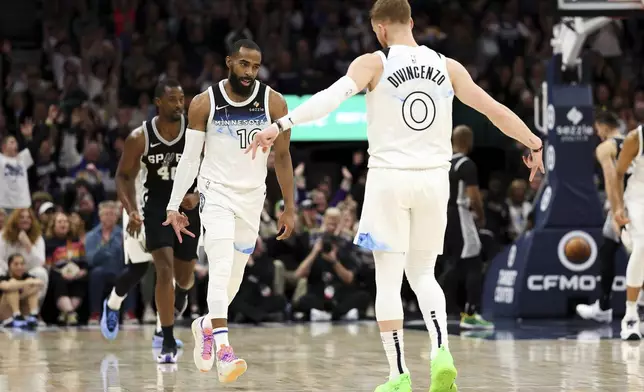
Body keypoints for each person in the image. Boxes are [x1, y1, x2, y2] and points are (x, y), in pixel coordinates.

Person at [247, 1, 544, 391]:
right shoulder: (447, 66)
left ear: (380, 29)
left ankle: (398, 376)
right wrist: (533, 142)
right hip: (435, 181)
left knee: (387, 282)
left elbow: (330, 99)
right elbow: (493, 110)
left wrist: (281, 123)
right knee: (423, 274)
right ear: (412, 23)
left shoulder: (375, 62)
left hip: (389, 179)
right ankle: (441, 353)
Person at [164, 39, 296, 382]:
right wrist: (173, 203)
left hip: (253, 198)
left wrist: (289, 207)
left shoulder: (274, 102)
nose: (250, 72)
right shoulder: (204, 102)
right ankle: (224, 348)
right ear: (228, 62)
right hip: (216, 193)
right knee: (220, 266)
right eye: (243, 65)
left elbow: (282, 157)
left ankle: (205, 325)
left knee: (233, 280)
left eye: (255, 66)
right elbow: (190, 158)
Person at [103, 79, 200, 364]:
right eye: (173, 99)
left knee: (184, 278)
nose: (180, 105)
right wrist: (132, 209)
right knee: (156, 269)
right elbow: (123, 176)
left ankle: (170, 314)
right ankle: (164, 336)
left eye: (182, 99)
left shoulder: (194, 133)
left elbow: (209, 168)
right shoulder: (139, 137)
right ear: (158, 102)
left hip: (186, 206)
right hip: (153, 206)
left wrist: (197, 194)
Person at [576, 111, 635, 323]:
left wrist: (617, 210)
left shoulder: (605, 147)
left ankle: (623, 310)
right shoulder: (634, 142)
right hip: (638, 201)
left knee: (636, 259)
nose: (597, 133)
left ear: (603, 126)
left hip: (627, 208)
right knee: (607, 250)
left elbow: (611, 179)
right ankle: (603, 305)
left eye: (597, 129)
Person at [440, 125, 493, 329]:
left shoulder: (442, 163)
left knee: (453, 264)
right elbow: (474, 197)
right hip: (460, 216)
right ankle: (470, 314)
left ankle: (435, 307)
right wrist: (480, 216)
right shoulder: (466, 164)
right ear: (469, 142)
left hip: (443, 216)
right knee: (473, 262)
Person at [610, 122, 644, 341]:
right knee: (642, 245)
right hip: (638, 198)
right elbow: (618, 173)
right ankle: (630, 316)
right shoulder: (636, 138)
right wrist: (618, 208)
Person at [45, 212, 88, 326]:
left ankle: (66, 314)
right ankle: (70, 313)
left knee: (81, 280)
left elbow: (84, 261)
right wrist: (61, 272)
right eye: (59, 222)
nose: (63, 224)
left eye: (65, 221)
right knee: (59, 280)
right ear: (53, 225)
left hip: (76, 274)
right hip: (57, 273)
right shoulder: (48, 242)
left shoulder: (76, 241)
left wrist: (82, 271)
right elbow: (48, 265)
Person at [0, 254, 44, 328]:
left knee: (31, 288)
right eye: (16, 264)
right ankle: (16, 315)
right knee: (12, 287)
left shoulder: (27, 276)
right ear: (9, 265)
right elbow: (6, 286)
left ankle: (33, 314)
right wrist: (26, 283)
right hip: (6, 312)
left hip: (23, 311)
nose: (19, 267)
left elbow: (40, 283)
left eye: (22, 264)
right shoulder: (3, 277)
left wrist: (23, 289)